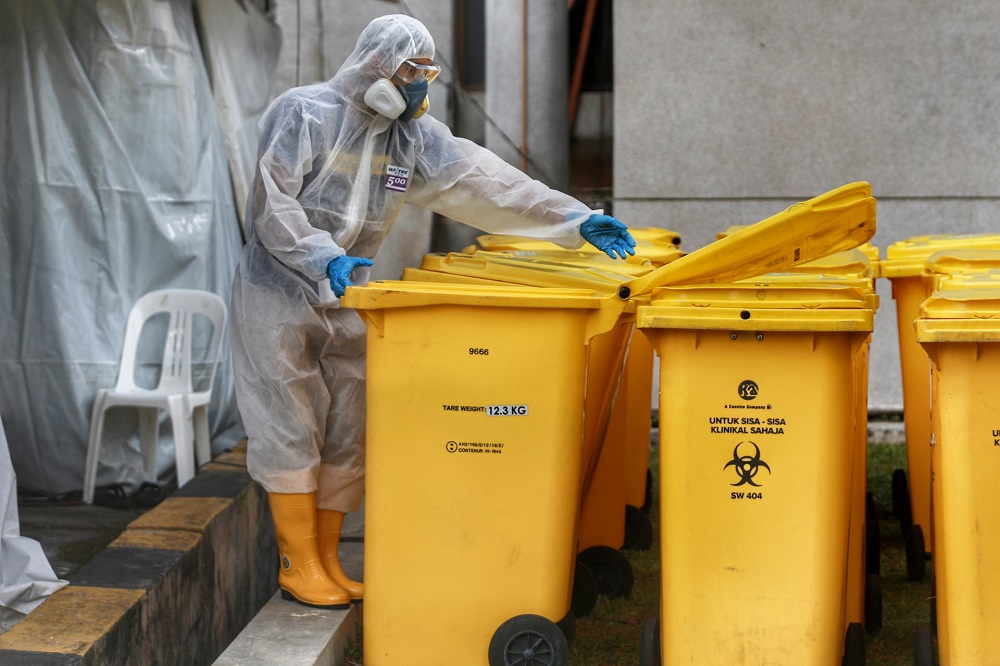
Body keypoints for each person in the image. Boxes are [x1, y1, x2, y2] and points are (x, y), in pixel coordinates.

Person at [230, 13, 636, 609]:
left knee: (347, 422)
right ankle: (297, 563)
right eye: (411, 71)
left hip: (350, 294)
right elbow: (272, 201)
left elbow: (486, 181)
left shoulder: (409, 139)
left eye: (427, 72)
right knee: (288, 420)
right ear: (377, 67)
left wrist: (572, 219)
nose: (420, 84)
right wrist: (320, 255)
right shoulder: (305, 112)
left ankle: (329, 559)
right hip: (279, 291)